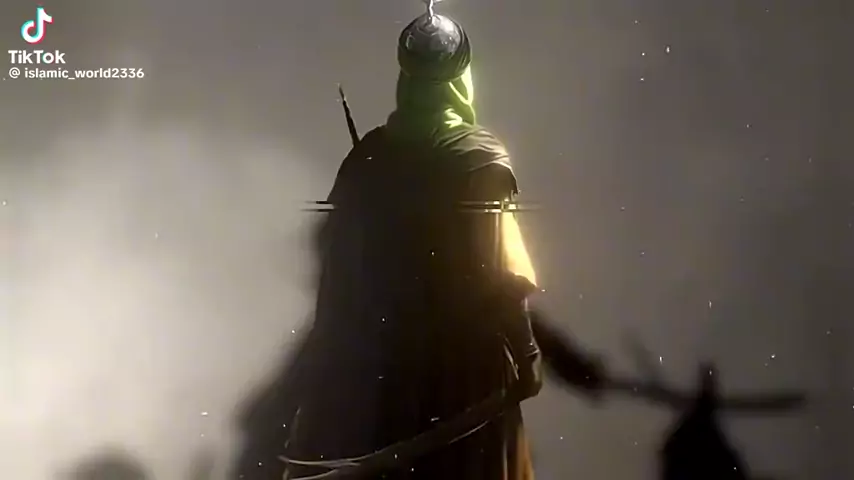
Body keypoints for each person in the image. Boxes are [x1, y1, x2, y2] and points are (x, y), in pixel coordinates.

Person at [233, 8, 605, 480]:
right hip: (460, 377)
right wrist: (528, 355)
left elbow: (337, 288)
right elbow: (500, 276)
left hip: (382, 378)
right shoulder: (478, 161)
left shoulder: (368, 160)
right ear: (460, 78)